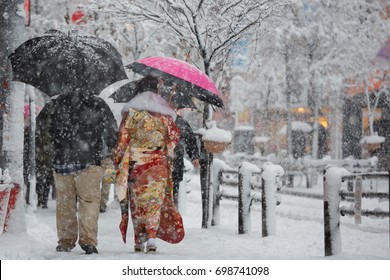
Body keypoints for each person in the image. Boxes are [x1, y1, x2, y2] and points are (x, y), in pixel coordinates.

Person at [114, 76, 184, 253]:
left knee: (137, 203)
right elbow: (173, 140)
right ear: (157, 90)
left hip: (137, 165)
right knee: (154, 202)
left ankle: (139, 240)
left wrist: (120, 160)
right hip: (158, 166)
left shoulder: (131, 114)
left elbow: (122, 141)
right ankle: (151, 237)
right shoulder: (165, 115)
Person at [49, 93, 118, 254]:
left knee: (65, 204)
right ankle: (88, 241)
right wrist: (112, 148)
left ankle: (65, 241)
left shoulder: (58, 103)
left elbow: (49, 130)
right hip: (89, 161)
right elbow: (111, 131)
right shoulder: (97, 103)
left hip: (62, 162)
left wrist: (59, 146)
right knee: (89, 202)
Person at [172, 114, 199, 207]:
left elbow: (190, 139)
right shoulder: (156, 117)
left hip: (175, 163)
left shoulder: (181, 122)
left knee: (173, 192)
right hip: (160, 165)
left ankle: (171, 215)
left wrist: (194, 156)